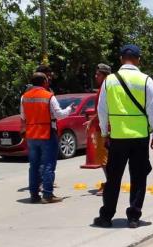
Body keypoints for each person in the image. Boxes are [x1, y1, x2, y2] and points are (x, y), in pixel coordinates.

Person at [94, 44, 153, 228]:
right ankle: (133, 217)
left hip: (117, 137)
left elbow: (101, 110)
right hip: (140, 137)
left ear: (121, 59)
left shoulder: (109, 81)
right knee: (138, 177)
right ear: (138, 59)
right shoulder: (146, 80)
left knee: (113, 178)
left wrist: (105, 132)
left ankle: (106, 216)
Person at [20, 72, 73, 203]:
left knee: (34, 166)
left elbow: (23, 116)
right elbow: (59, 114)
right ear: (44, 82)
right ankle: (47, 194)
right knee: (48, 164)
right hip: (47, 133)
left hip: (31, 134)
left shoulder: (24, 97)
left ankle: (34, 195)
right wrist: (69, 109)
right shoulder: (49, 96)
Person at [84, 63, 111, 196]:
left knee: (103, 158)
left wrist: (93, 121)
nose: (96, 76)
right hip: (106, 126)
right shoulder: (108, 87)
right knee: (106, 158)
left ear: (105, 75)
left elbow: (103, 109)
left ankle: (110, 184)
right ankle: (111, 182)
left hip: (103, 128)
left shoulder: (104, 88)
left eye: (98, 74)